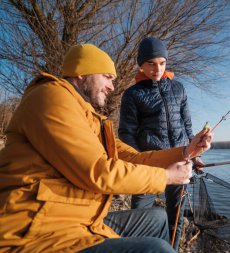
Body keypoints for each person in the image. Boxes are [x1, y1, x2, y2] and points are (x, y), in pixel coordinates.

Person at [0, 44, 213, 253]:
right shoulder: (50, 97)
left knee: (157, 218)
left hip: (79, 220)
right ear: (82, 73)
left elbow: (131, 157)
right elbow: (98, 171)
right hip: (37, 229)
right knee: (153, 249)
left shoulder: (89, 117)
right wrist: (165, 177)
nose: (112, 87)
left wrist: (186, 151)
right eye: (107, 77)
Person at [118, 37, 203, 251]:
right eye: (151, 63)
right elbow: (127, 133)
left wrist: (194, 153)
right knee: (140, 214)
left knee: (176, 213)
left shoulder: (179, 89)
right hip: (148, 163)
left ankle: (171, 249)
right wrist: (136, 161)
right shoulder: (132, 94)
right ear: (141, 64)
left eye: (162, 63)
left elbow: (187, 126)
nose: (157, 68)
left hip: (179, 159)